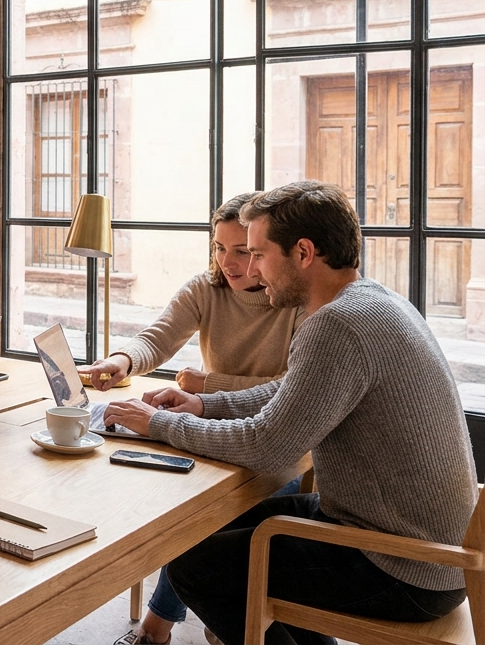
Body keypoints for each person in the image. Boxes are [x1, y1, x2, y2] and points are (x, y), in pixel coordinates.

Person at [104, 181, 476, 645]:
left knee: (193, 567)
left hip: (404, 565)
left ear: (303, 252)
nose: (252, 270)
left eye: (258, 254)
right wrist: (203, 404)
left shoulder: (335, 324)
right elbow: (292, 390)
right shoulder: (372, 301)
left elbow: (266, 446)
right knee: (201, 531)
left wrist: (160, 423)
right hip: (426, 548)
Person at [80, 193, 304, 645]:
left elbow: (289, 387)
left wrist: (209, 385)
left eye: (242, 251)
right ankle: (208, 616)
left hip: (276, 441)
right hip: (208, 427)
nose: (228, 262)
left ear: (265, 251)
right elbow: (157, 337)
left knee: (207, 518)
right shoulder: (206, 288)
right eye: (219, 248)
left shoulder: (294, 300)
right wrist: (122, 360)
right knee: (172, 499)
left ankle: (158, 626)